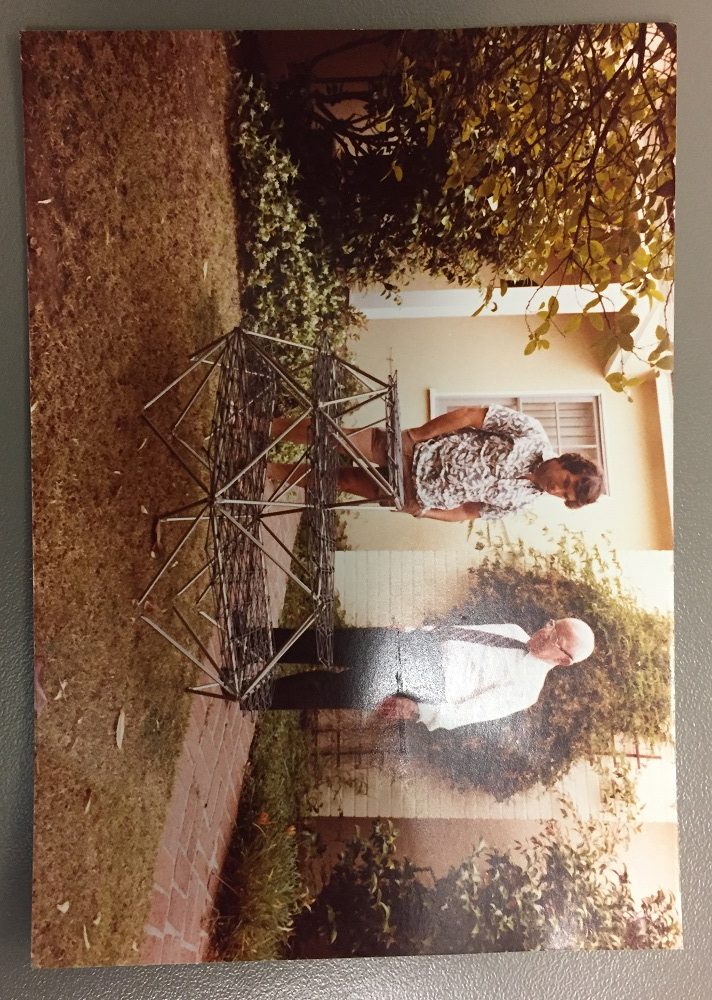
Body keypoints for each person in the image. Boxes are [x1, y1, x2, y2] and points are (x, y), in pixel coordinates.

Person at [267, 404, 603, 521]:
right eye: (567, 482)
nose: (559, 490)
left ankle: (269, 471)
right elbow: (471, 416)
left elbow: (470, 512)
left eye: (565, 497)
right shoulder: (531, 433)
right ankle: (265, 428)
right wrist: (416, 435)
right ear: (567, 462)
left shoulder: (523, 503)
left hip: (417, 493)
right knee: (337, 438)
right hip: (416, 450)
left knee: (341, 480)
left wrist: (425, 511)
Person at [267, 617, 595, 731]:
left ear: (564, 660)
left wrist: (417, 709)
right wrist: (412, 630)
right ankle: (253, 641)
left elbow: (472, 712)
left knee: (327, 689)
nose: (545, 633)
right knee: (328, 642)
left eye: (556, 639)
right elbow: (458, 633)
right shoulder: (514, 630)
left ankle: (251, 693)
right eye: (552, 625)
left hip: (426, 682)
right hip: (414, 644)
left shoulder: (527, 690)